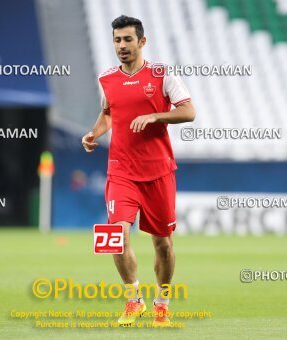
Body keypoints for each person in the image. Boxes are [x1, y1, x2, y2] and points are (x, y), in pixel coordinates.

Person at [81, 15, 195, 327]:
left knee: (163, 244)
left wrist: (156, 117)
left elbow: (189, 111)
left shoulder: (162, 74)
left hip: (158, 172)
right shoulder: (106, 78)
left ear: (141, 42)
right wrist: (93, 135)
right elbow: (108, 114)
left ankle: (162, 302)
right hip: (121, 171)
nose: (121, 46)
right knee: (116, 236)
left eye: (127, 40)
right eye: (117, 40)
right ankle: (133, 299)